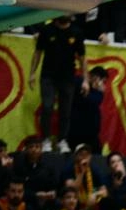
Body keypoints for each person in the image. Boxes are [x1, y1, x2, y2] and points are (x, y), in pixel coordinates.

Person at [28, 14, 87, 152]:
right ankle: (46, 139)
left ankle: (62, 140)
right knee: (47, 107)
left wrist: (85, 79)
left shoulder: (76, 32)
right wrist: (32, 73)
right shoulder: (47, 30)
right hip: (48, 76)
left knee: (65, 110)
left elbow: (82, 57)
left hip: (68, 77)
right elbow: (38, 52)